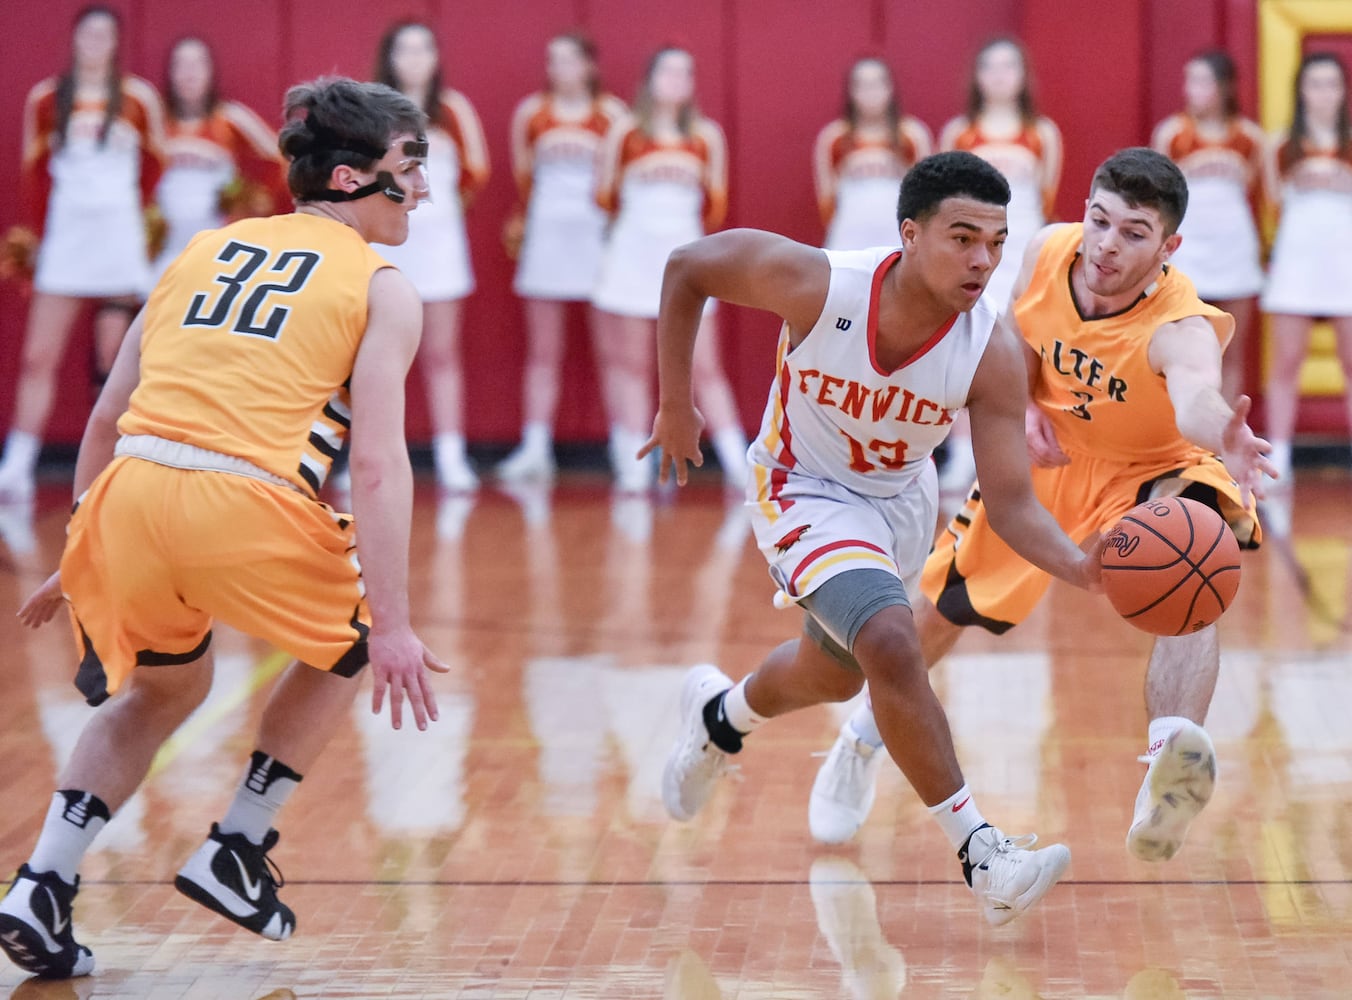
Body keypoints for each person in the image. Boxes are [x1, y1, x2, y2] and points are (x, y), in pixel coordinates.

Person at [0, 77, 448, 980]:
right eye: (414, 166)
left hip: (124, 496)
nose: (427, 188)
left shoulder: (202, 249)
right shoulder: (382, 286)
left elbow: (102, 423)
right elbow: (375, 469)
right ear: (358, 179)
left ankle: (39, 883)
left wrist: (82, 549)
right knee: (356, 642)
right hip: (240, 498)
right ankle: (237, 847)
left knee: (162, 692)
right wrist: (394, 623)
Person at [647, 151, 1102, 927]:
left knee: (837, 676)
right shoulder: (821, 285)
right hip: (801, 489)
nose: (983, 260)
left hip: (896, 507)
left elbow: (1014, 505)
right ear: (910, 234)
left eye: (995, 241)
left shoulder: (991, 351)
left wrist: (1088, 570)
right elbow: (688, 266)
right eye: (963, 238)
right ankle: (983, 853)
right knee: (893, 640)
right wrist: (675, 404)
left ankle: (720, 718)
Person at [810, 149, 1274, 865]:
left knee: (1194, 565)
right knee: (937, 615)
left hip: (1151, 467)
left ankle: (1166, 762)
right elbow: (1018, 337)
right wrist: (1023, 402)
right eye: (1100, 221)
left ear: (1168, 247)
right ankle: (863, 736)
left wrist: (1227, 436)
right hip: (1052, 463)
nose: (1107, 245)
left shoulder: (1180, 324)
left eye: (1134, 233)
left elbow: (1194, 398)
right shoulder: (1046, 249)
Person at [0, 5, 165, 501]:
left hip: (118, 242)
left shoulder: (138, 99)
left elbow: (155, 168)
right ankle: (18, 467)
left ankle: (120, 465)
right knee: (37, 356)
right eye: (88, 33)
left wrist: (136, 225)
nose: (95, 41)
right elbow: (33, 175)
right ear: (75, 40)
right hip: (66, 243)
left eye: (105, 34)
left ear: (116, 43)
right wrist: (37, 237)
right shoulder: (46, 99)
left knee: (115, 360)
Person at [592, 46, 747, 492]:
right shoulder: (625, 132)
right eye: (667, 71)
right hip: (631, 260)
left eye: (685, 72)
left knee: (705, 367)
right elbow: (605, 197)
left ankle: (739, 463)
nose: (675, 80)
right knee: (632, 365)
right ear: (650, 78)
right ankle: (632, 461)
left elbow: (714, 207)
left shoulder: (706, 136)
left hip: (686, 265)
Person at [497, 33, 627, 483]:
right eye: (553, 60)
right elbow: (523, 177)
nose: (560, 68)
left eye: (570, 59)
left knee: (615, 351)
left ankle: (625, 445)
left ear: (590, 66)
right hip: (547, 236)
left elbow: (622, 181)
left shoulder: (612, 115)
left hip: (597, 238)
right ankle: (535, 448)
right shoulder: (531, 114)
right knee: (543, 351)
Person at [937, 37, 1062, 493]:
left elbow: (1045, 198)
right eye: (989, 65)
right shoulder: (958, 134)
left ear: (1023, 75)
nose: (999, 75)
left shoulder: (1042, 133)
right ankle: (960, 454)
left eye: (1009, 65)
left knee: (1023, 356)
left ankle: (1019, 449)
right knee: (960, 352)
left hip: (1022, 254)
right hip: (973, 255)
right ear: (976, 76)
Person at [374, 21, 490, 491]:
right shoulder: (372, 110)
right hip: (386, 244)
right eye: (405, 49)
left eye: (424, 48)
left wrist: (439, 212)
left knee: (442, 354)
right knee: (376, 357)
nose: (414, 58)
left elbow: (477, 171)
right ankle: (369, 453)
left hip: (441, 245)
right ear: (390, 57)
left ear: (436, 58)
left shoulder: (453, 111)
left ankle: (450, 455)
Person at [1152, 50, 1266, 404]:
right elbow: (1158, 195)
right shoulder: (1172, 134)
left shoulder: (1249, 138)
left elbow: (1259, 193)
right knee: (1184, 342)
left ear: (1224, 87)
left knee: (1230, 347)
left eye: (1201, 81)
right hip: (1188, 247)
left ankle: (1223, 437)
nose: (1191, 89)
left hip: (1233, 246)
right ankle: (1180, 431)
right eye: (1189, 80)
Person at [1261, 52, 1352, 485]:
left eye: (1331, 84)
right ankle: (1280, 454)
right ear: (1301, 90)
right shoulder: (1280, 145)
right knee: (1287, 362)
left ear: (1343, 91)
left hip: (1345, 260)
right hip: (1298, 259)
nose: (1323, 93)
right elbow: (1273, 202)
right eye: (1315, 84)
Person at [151, 36, 289, 282]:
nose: (189, 74)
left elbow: (281, 161)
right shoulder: (156, 122)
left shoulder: (230, 118)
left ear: (210, 71)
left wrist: (249, 201)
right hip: (166, 250)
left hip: (219, 244)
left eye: (197, 64)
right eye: (180, 65)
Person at [814, 56, 933, 251]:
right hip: (849, 239)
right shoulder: (834, 138)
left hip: (899, 238)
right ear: (850, 91)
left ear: (890, 88)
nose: (870, 92)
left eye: (877, 83)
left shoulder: (912, 135)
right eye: (862, 85)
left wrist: (899, 170)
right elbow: (826, 204)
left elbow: (927, 198)